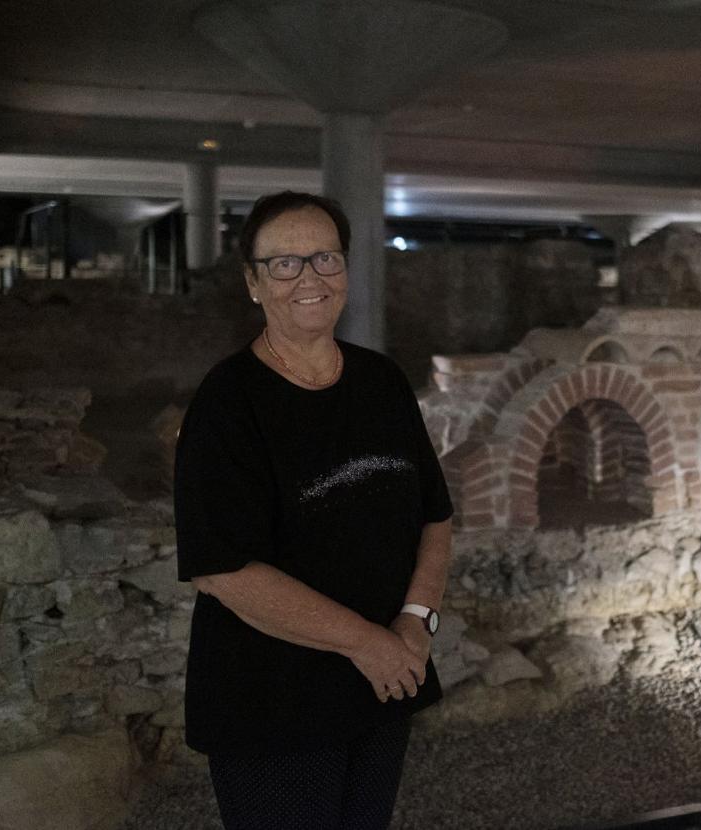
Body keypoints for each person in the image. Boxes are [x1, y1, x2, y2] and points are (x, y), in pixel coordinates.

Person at [174, 190, 453, 829]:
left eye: (326, 258)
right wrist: (370, 644)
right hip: (271, 703)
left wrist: (416, 623)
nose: (310, 278)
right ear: (253, 283)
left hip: (380, 683)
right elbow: (222, 570)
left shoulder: (381, 382)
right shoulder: (228, 403)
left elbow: (434, 517)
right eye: (285, 263)